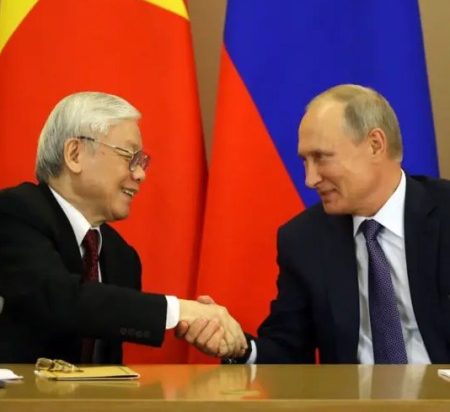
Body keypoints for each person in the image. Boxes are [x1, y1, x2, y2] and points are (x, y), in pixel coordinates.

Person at [181, 84, 450, 364]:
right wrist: (240, 348)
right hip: (351, 393)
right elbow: (288, 348)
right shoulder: (304, 239)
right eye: (305, 161)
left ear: (375, 145)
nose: (310, 180)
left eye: (321, 157)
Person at [0, 91, 246, 364]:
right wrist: (178, 311)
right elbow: (62, 300)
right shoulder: (12, 213)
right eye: (129, 156)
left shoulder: (121, 256)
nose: (140, 174)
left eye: (142, 162)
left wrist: (199, 325)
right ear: (75, 154)